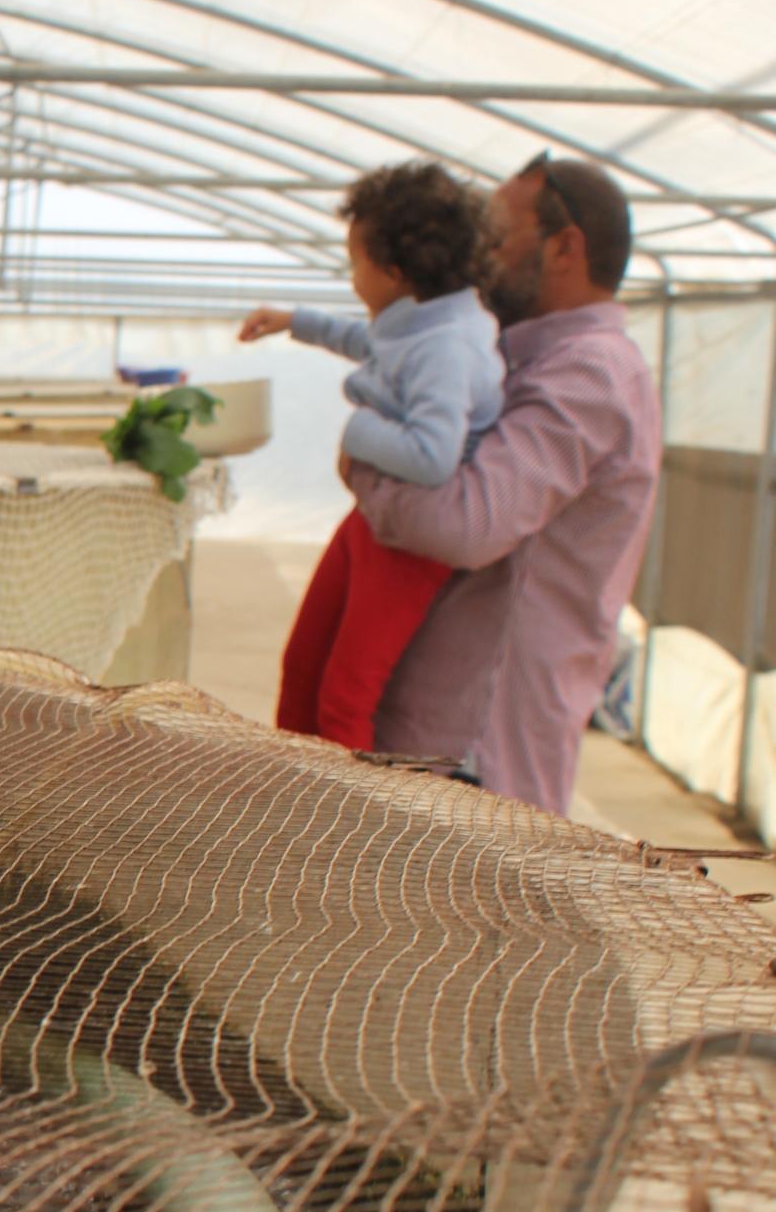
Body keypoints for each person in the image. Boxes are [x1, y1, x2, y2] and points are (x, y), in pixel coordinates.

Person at [340, 155, 661, 816]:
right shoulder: (521, 355)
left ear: (564, 247)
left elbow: (462, 524)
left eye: (498, 236)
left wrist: (365, 462)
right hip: (452, 741)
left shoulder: (588, 374)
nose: (475, 256)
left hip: (478, 756)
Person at [242, 162, 504, 751]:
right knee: (303, 660)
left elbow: (433, 456)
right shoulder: (421, 321)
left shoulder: (449, 346)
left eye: (354, 260)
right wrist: (296, 322)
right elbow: (371, 343)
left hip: (407, 547)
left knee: (346, 696)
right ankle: (290, 785)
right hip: (375, 523)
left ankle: (345, 826)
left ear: (394, 271)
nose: (351, 273)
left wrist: (358, 431)